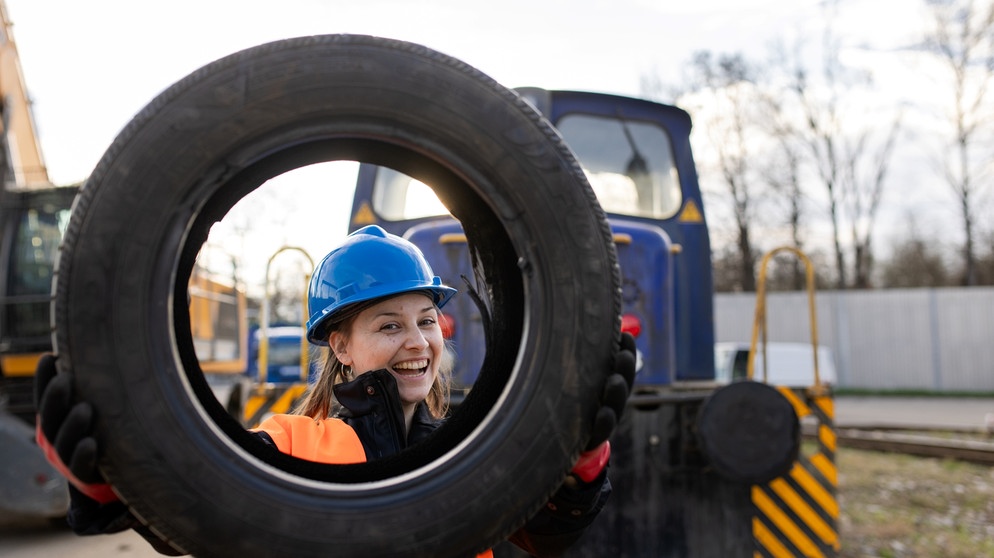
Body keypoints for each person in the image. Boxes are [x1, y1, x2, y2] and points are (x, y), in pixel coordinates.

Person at [35, 225, 636, 557]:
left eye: (426, 320)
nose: (418, 342)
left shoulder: (468, 444)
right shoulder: (290, 443)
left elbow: (547, 536)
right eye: (389, 325)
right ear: (341, 347)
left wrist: (580, 461)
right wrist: (112, 480)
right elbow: (190, 518)